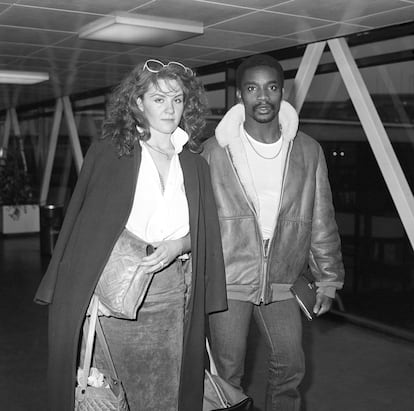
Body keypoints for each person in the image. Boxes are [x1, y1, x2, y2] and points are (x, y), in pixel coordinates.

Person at [34, 59, 227, 411]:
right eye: (158, 99)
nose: (169, 108)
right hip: (115, 290)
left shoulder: (194, 161)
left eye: (177, 99)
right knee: (115, 394)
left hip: (170, 291)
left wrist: (179, 245)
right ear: (138, 103)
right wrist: (85, 288)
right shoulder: (113, 151)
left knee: (165, 392)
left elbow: (203, 232)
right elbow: (85, 228)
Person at [202, 54, 345, 410]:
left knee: (290, 367)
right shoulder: (213, 152)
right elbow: (197, 221)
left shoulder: (308, 151)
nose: (262, 96)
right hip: (229, 281)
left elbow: (321, 218)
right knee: (226, 374)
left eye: (271, 87)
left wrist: (328, 279)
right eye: (252, 88)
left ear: (283, 92)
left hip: (283, 278)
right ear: (239, 95)